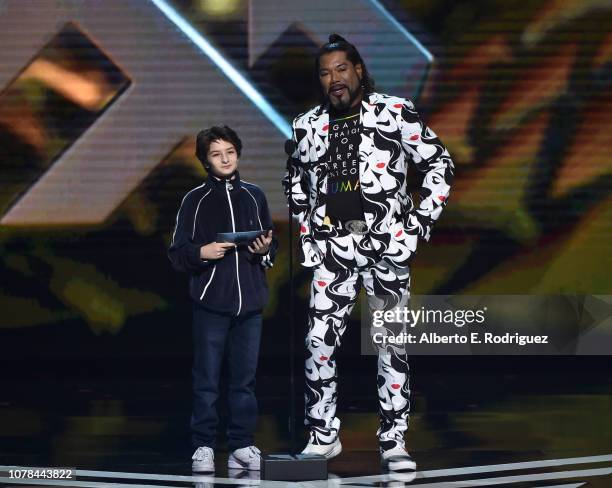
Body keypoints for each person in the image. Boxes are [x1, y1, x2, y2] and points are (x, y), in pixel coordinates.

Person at [283, 34, 454, 470]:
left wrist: (413, 230)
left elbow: (439, 164)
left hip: (387, 249)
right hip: (333, 251)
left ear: (358, 70)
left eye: (341, 69)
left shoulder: (394, 112)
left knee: (391, 346)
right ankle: (323, 434)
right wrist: (309, 241)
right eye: (325, 73)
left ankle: (393, 440)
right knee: (318, 343)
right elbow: (296, 184)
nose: (334, 79)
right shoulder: (306, 125)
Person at [168, 125, 276, 474]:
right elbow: (178, 253)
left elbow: (269, 244)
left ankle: (242, 444)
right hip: (211, 301)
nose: (225, 159)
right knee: (208, 379)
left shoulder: (255, 195)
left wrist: (264, 250)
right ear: (205, 161)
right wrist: (203, 251)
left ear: (238, 153)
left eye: (229, 151)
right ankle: (203, 444)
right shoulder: (194, 200)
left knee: (244, 380)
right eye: (216, 154)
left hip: (251, 303)